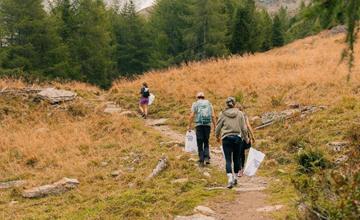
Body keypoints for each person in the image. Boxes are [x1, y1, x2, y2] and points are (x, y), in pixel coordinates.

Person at [215, 97, 249, 189]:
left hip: (226, 138)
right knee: (236, 159)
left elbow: (218, 127)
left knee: (228, 160)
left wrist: (217, 136)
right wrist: (246, 138)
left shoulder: (222, 114)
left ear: (227, 104)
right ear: (234, 104)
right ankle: (235, 178)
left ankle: (230, 179)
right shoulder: (240, 114)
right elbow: (244, 128)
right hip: (237, 138)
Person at [188, 92, 216, 167]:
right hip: (207, 125)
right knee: (206, 141)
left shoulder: (195, 104)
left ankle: (201, 160)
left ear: (197, 97)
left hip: (199, 125)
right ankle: (207, 158)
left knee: (199, 142)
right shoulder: (209, 104)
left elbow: (192, 115)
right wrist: (215, 126)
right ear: (204, 97)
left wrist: (189, 126)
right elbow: (213, 116)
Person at [237, 104, 256, 177]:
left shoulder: (233, 115)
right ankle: (241, 169)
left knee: (237, 153)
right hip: (243, 136)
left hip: (235, 136)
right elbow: (248, 126)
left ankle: (239, 169)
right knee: (242, 153)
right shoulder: (244, 115)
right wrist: (252, 136)